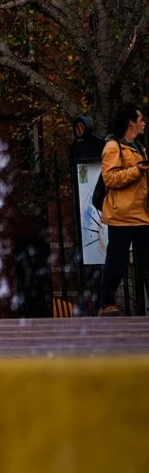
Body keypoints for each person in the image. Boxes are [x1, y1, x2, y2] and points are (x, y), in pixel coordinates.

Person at [93, 105, 149, 315]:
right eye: (141, 119)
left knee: (147, 263)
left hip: (142, 215)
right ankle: (106, 303)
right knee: (117, 262)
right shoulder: (113, 147)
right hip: (122, 216)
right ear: (130, 123)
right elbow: (110, 178)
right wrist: (137, 170)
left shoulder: (139, 147)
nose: (144, 123)